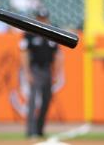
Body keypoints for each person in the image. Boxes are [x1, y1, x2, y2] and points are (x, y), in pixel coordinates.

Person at [20, 8, 63, 139]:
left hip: (47, 70)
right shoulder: (30, 32)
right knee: (33, 99)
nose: (42, 20)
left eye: (44, 18)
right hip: (35, 69)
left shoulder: (53, 33)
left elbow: (58, 54)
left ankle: (39, 129)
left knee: (46, 100)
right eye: (40, 18)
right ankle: (31, 130)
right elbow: (24, 52)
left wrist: (57, 73)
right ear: (37, 18)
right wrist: (27, 72)